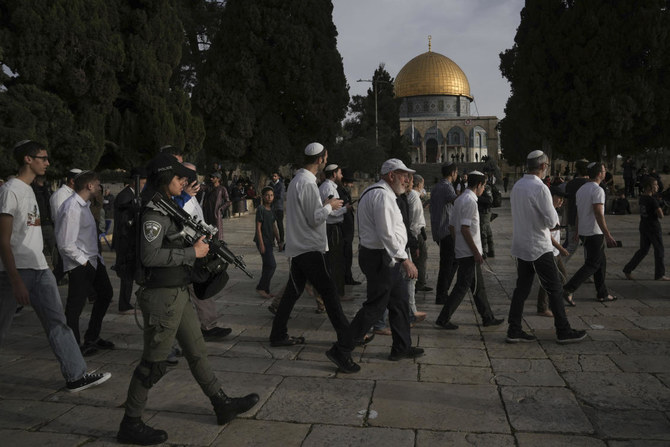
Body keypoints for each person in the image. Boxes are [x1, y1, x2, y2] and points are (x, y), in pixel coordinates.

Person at [117, 153, 258, 445]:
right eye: (179, 178)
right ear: (165, 179)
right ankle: (130, 422)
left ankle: (221, 403)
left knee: (197, 351)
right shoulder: (154, 213)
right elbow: (149, 255)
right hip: (161, 297)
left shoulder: (168, 207)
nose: (184, 182)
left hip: (178, 291)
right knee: (154, 363)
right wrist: (192, 253)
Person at [0, 139, 111, 392]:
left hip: (39, 268)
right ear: (28, 159)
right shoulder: (10, 190)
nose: (48, 163)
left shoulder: (30, 190)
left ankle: (76, 375)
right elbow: (3, 240)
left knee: (57, 322)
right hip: (14, 271)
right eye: (43, 158)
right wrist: (16, 280)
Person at [268, 143, 358, 374]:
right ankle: (346, 342)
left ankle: (278, 334)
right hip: (309, 247)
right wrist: (330, 206)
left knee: (292, 293)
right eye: (326, 157)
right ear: (321, 160)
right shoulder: (307, 183)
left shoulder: (298, 180)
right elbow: (314, 218)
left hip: (300, 246)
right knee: (329, 294)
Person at [506, 150, 587, 344]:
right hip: (538, 247)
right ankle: (563, 330)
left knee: (522, 289)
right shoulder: (540, 188)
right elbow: (552, 221)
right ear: (543, 166)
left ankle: (514, 329)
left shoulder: (518, 186)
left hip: (521, 245)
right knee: (555, 287)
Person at [348, 158, 425, 362]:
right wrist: (405, 260)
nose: (408, 179)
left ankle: (402, 347)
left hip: (385, 257)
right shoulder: (382, 196)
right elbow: (387, 234)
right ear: (391, 175)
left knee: (399, 302)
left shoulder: (383, 193)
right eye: (404, 175)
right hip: (381, 258)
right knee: (375, 307)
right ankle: (342, 347)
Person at [55, 170, 114, 357]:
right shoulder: (71, 207)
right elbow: (65, 243)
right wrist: (83, 262)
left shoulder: (84, 206)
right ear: (89, 186)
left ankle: (92, 336)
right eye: (97, 183)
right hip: (80, 263)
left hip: (94, 261)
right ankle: (73, 346)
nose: (99, 187)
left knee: (105, 294)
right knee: (75, 305)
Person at [435, 171, 504, 330]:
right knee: (462, 287)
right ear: (479, 185)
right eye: (483, 185)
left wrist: (458, 243)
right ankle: (443, 318)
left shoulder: (460, 199)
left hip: (463, 250)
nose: (483, 188)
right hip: (469, 253)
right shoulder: (470, 202)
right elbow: (465, 229)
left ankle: (487, 317)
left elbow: (452, 226)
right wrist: (475, 252)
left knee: (478, 287)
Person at [182, 162, 233, 341]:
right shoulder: (180, 196)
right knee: (197, 288)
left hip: (200, 247)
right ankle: (204, 327)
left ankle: (207, 325)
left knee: (200, 287)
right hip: (188, 251)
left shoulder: (195, 194)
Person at [563, 162, 618, 304]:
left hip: (584, 231)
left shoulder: (582, 189)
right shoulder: (597, 190)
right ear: (599, 173)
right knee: (593, 264)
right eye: (604, 170)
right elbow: (599, 214)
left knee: (601, 262)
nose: (605, 172)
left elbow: (578, 212)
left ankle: (602, 293)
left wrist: (576, 230)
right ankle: (568, 289)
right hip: (594, 232)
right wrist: (608, 235)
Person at [113, 167, 147, 314]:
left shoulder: (134, 194)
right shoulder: (125, 196)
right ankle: (124, 304)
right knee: (126, 274)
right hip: (126, 241)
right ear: (135, 182)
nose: (144, 186)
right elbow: (125, 221)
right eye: (143, 183)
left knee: (134, 272)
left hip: (132, 241)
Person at [623, 176, 669, 281]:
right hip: (653, 227)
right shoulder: (652, 200)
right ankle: (660, 274)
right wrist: (659, 205)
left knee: (643, 250)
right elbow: (661, 215)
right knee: (659, 250)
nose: (657, 187)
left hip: (644, 225)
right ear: (649, 187)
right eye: (655, 185)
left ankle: (628, 269)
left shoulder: (643, 198)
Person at [536, 186, 570, 317]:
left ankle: (553, 305)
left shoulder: (555, 211)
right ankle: (544, 307)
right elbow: (547, 235)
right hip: (550, 251)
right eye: (559, 197)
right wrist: (561, 248)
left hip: (555, 251)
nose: (561, 201)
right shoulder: (549, 211)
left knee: (560, 277)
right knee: (553, 279)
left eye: (563, 199)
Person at [319, 164, 351, 299]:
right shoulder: (328, 188)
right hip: (331, 229)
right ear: (333, 174)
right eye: (340, 173)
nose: (342, 176)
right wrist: (346, 209)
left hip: (333, 228)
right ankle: (336, 293)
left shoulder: (330, 187)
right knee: (335, 262)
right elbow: (330, 211)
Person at [430, 162, 459, 305]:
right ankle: (442, 295)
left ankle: (443, 292)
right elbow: (458, 203)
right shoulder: (447, 187)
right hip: (447, 231)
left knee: (451, 262)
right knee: (448, 264)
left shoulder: (436, 187)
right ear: (453, 173)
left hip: (439, 230)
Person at [49, 168, 82, 284]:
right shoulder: (60, 195)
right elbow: (60, 219)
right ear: (72, 181)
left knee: (70, 270)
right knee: (63, 269)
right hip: (66, 240)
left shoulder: (75, 194)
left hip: (76, 239)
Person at [254, 186, 282, 298]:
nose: (269, 197)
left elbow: (273, 225)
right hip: (263, 240)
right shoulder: (260, 209)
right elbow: (258, 228)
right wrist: (261, 243)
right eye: (267, 195)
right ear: (263, 196)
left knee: (267, 265)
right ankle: (260, 288)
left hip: (270, 240)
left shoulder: (272, 209)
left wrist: (279, 240)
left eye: (271, 195)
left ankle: (266, 290)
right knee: (272, 265)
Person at [338, 168, 360, 286]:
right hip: (344, 229)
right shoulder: (340, 192)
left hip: (348, 229)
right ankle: (346, 277)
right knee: (345, 255)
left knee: (348, 255)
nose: (352, 185)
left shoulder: (345, 192)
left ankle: (348, 276)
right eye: (350, 182)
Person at [409, 174, 431, 293]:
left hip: (416, 232)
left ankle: (417, 282)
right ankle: (419, 283)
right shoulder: (414, 197)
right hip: (417, 232)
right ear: (418, 184)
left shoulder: (413, 195)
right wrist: (416, 240)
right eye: (422, 184)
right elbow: (415, 220)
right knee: (421, 258)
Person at [564, 159, 590, 256]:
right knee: (589, 250)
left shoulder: (570, 184)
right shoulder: (590, 184)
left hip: (571, 219)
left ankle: (558, 267)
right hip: (586, 221)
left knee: (570, 247)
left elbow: (566, 204)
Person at [202, 172, 231, 241]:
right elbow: (200, 187)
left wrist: (220, 209)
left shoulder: (222, 189)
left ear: (218, 179)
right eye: (211, 177)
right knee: (208, 232)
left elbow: (228, 202)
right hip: (207, 214)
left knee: (217, 234)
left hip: (216, 215)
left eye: (213, 177)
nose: (211, 179)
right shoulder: (208, 187)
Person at [478, 181, 495, 258]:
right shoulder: (486, 188)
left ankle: (484, 252)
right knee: (488, 231)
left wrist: (477, 197)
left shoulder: (486, 188)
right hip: (486, 213)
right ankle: (491, 251)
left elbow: (489, 200)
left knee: (483, 232)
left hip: (484, 213)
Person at [270, 172, 285, 248]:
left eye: (275, 176)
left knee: (280, 225)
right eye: (273, 176)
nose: (273, 177)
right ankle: (272, 241)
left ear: (278, 177)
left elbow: (280, 196)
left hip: (279, 208)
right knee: (271, 225)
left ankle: (281, 240)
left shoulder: (281, 185)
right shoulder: (270, 185)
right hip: (271, 208)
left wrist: (271, 196)